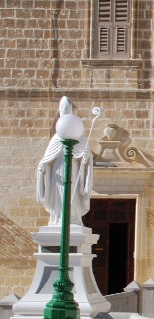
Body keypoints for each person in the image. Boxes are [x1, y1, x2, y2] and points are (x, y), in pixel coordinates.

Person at [36, 96, 92, 226]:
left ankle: (72, 218)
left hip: (72, 168)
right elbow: (47, 157)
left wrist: (85, 155)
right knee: (59, 195)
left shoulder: (77, 134)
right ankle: (58, 219)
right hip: (58, 169)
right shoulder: (56, 137)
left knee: (72, 193)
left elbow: (85, 152)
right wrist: (42, 167)